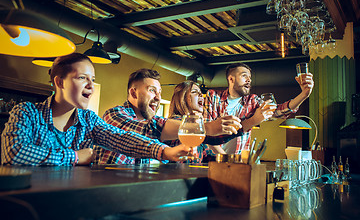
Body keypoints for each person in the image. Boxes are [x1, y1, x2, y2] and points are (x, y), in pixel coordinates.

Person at [1, 53, 190, 166]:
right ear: (59, 82)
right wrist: (74, 156)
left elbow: (122, 138)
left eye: (92, 79)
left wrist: (164, 152)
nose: (91, 85)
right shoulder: (26, 112)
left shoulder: (88, 119)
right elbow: (14, 153)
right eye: (83, 78)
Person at [93, 69, 242, 164]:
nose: (158, 98)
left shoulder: (160, 122)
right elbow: (148, 129)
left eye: (159, 92)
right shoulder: (114, 114)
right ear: (133, 93)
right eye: (152, 91)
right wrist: (207, 128)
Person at [204, 62, 314, 154]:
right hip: (211, 161)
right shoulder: (213, 97)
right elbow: (206, 133)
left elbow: (279, 111)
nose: (249, 80)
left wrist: (303, 95)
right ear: (231, 79)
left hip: (239, 161)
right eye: (244, 76)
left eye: (250, 77)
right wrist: (226, 159)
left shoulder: (252, 100)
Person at [167, 80, 227, 162]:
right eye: (194, 92)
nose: (201, 95)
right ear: (182, 98)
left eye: (200, 93)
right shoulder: (176, 122)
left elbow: (209, 156)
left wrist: (231, 161)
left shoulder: (197, 128)